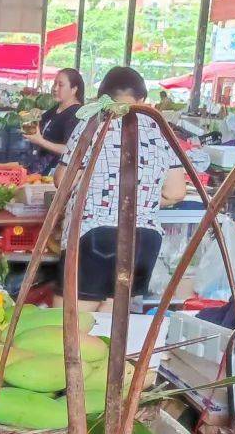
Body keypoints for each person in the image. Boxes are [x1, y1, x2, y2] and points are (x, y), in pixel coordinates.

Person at [58, 65, 187, 310]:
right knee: (110, 329)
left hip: (93, 234)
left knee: (72, 328)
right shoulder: (160, 131)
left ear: (103, 96)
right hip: (143, 240)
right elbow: (176, 191)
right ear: (142, 99)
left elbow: (64, 180)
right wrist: (139, 197)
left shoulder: (92, 124)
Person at [24, 68, 84, 173]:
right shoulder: (55, 109)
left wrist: (40, 141)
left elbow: (71, 150)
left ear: (74, 89)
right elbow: (39, 127)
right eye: (54, 84)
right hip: (38, 172)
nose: (55, 88)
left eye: (60, 85)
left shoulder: (77, 114)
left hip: (56, 175)